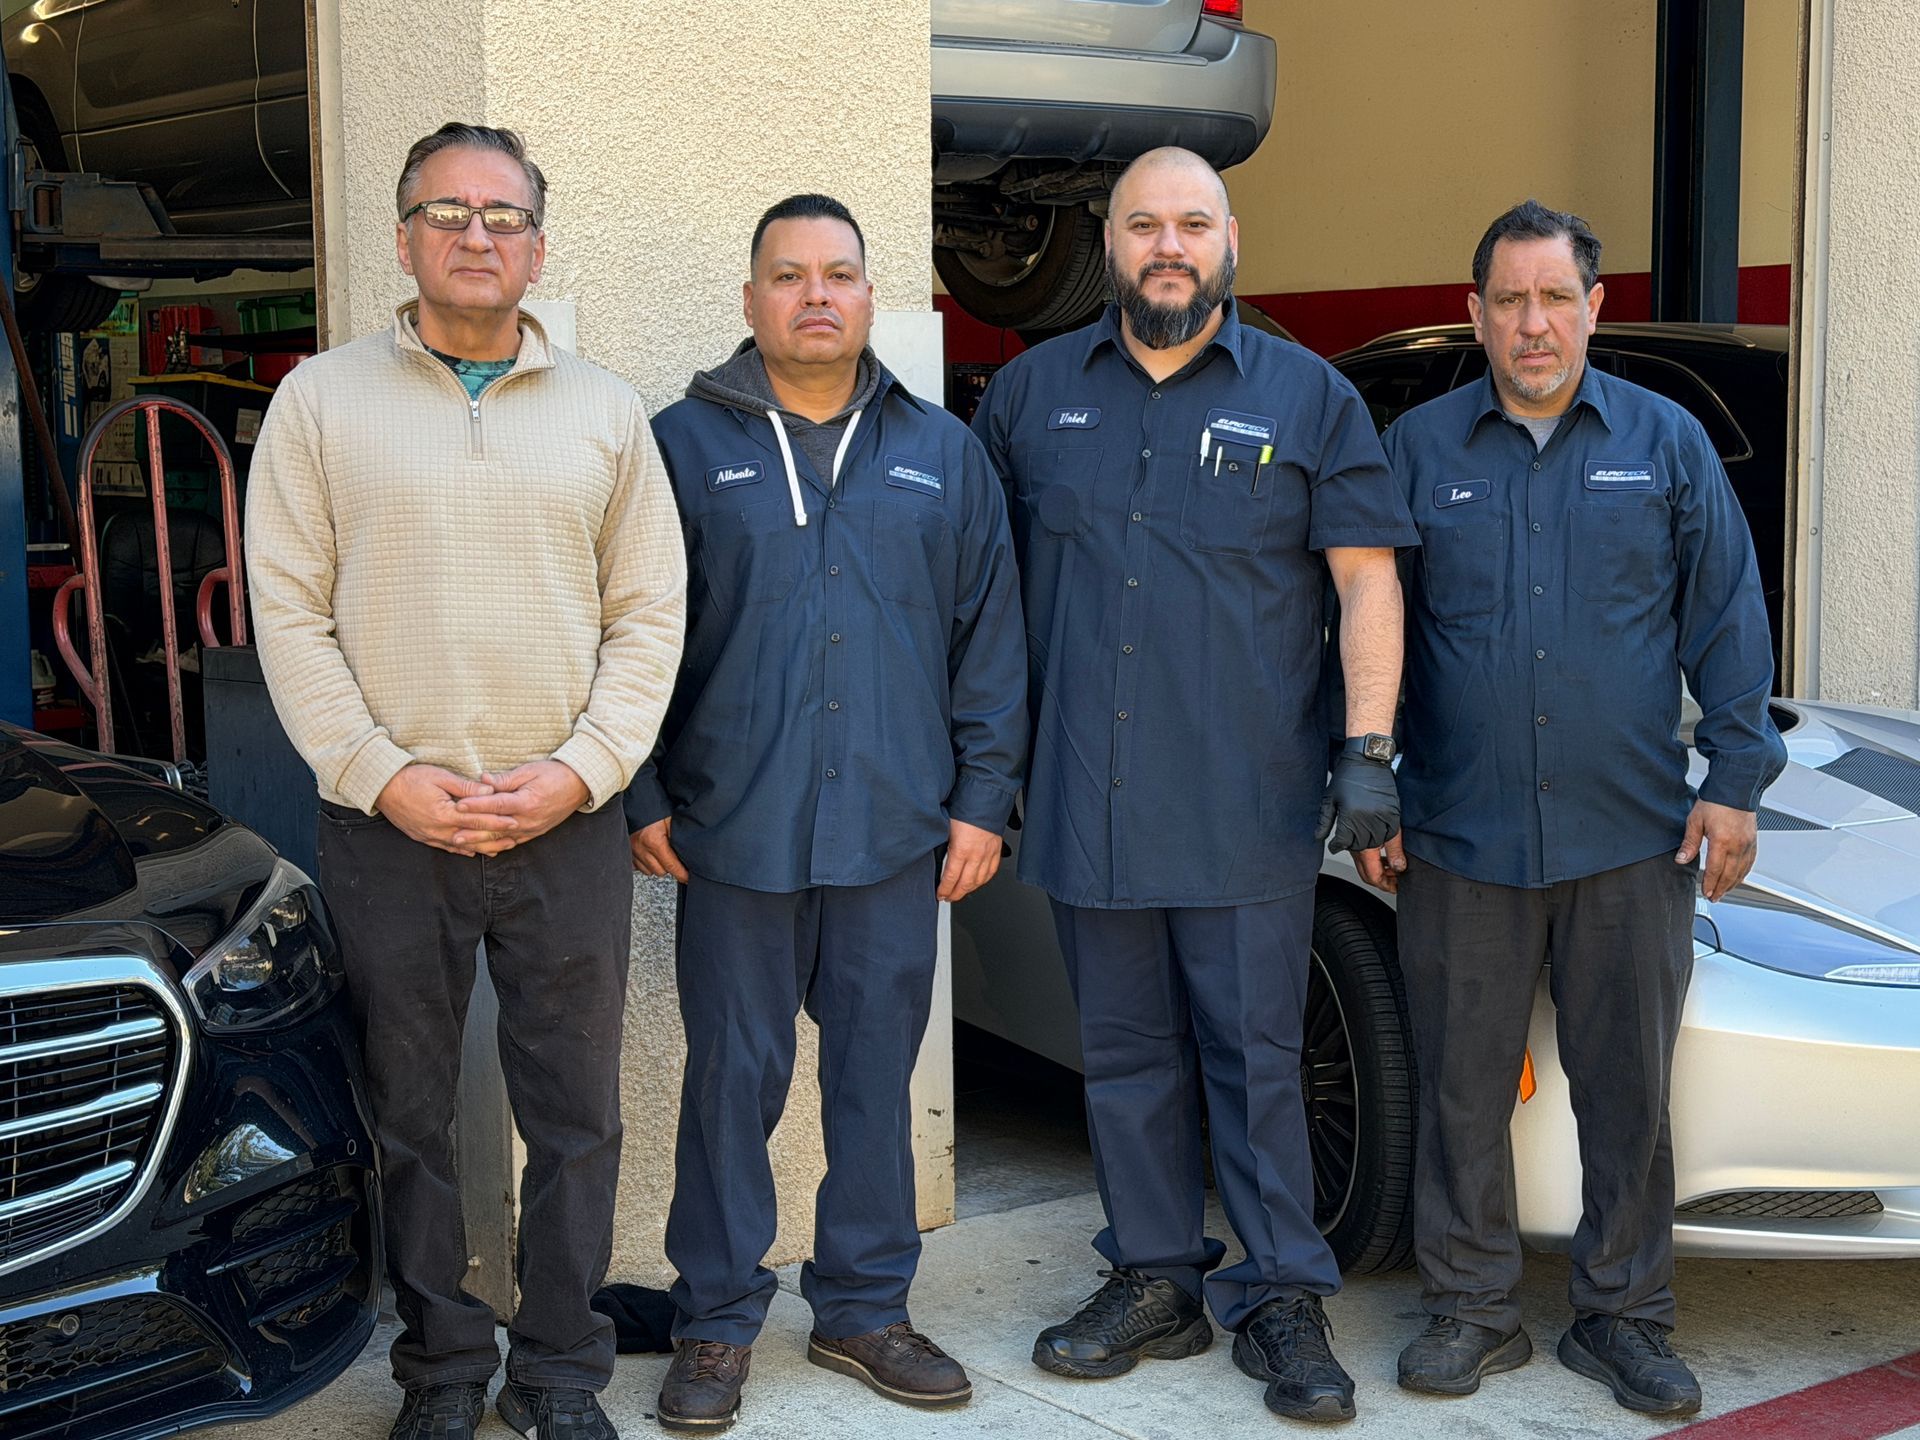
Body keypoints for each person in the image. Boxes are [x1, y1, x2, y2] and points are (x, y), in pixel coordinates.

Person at [247, 123, 687, 1440]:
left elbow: (649, 617)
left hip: (566, 823)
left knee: (576, 1117)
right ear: (404, 240)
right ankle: (440, 1367)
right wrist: (382, 775)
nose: (477, 236)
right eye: (448, 213)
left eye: (505, 217)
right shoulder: (320, 403)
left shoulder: (605, 413)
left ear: (538, 249)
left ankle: (559, 1369)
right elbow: (290, 613)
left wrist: (582, 772)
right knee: (408, 1114)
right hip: (389, 827)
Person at [972, 147, 1417, 1426]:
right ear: (1107, 243)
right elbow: (981, 598)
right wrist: (984, 768)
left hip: (1247, 800)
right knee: (1123, 1057)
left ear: (1231, 240)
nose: (1169, 246)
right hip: (1088, 799)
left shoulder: (1310, 395)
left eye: (1192, 224)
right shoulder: (1030, 396)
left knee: (1255, 1058)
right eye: (1143, 224)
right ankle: (1156, 1277)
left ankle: (1282, 1294)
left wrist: (1368, 751)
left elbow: (1366, 581)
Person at [1370, 199, 1786, 1418]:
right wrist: (1370, 778)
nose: (1533, 324)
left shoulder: (1665, 445)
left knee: (1627, 1093)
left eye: (1556, 298)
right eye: (1509, 300)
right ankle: (1470, 1309)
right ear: (1475, 315)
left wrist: (1736, 783)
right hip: (1460, 834)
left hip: (1630, 834)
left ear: (1594, 308)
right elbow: (1367, 626)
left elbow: (1727, 613)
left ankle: (1624, 1317)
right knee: (1459, 1088)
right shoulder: (1419, 451)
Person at [625, 193, 1027, 1432]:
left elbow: (990, 640)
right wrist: (638, 791)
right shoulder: (680, 447)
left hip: (896, 834)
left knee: (872, 1083)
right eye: (790, 275)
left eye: (838, 274)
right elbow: (632, 632)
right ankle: (715, 1320)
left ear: (869, 295)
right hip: (731, 834)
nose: (816, 295)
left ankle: (863, 1310)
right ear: (751, 299)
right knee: (730, 1085)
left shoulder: (942, 453)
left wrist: (983, 801)